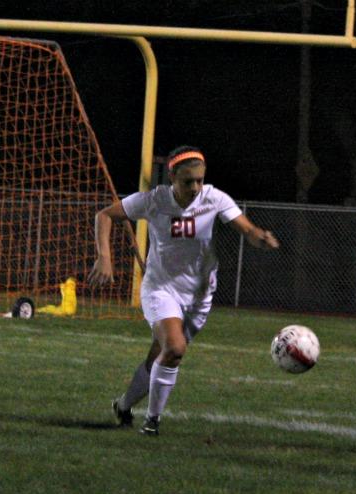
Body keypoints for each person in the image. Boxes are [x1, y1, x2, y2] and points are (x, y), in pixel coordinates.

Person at [88, 145, 280, 436]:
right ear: (172, 178)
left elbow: (246, 229)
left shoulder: (213, 198)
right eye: (187, 181)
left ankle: (124, 405)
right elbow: (105, 216)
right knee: (174, 349)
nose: (195, 187)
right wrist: (105, 256)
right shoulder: (154, 200)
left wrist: (260, 238)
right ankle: (152, 421)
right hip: (161, 289)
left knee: (160, 356)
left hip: (199, 296)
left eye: (199, 180)